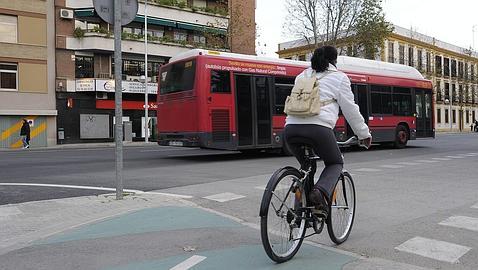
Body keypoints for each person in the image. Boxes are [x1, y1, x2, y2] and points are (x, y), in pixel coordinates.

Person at [284, 46, 372, 214]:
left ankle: (298, 209)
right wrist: (363, 134)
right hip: (319, 129)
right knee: (335, 162)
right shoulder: (339, 78)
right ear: (334, 61)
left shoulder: (302, 75)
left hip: (290, 129)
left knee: (306, 167)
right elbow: (350, 109)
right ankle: (319, 192)